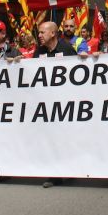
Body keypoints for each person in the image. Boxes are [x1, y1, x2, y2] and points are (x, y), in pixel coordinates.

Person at [34, 21, 78, 188]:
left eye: (42, 32)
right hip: (46, 105)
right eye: (38, 32)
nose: (39, 35)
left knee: (65, 139)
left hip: (66, 103)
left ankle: (70, 168)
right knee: (50, 140)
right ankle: (54, 174)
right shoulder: (39, 52)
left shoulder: (67, 50)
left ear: (53, 33)